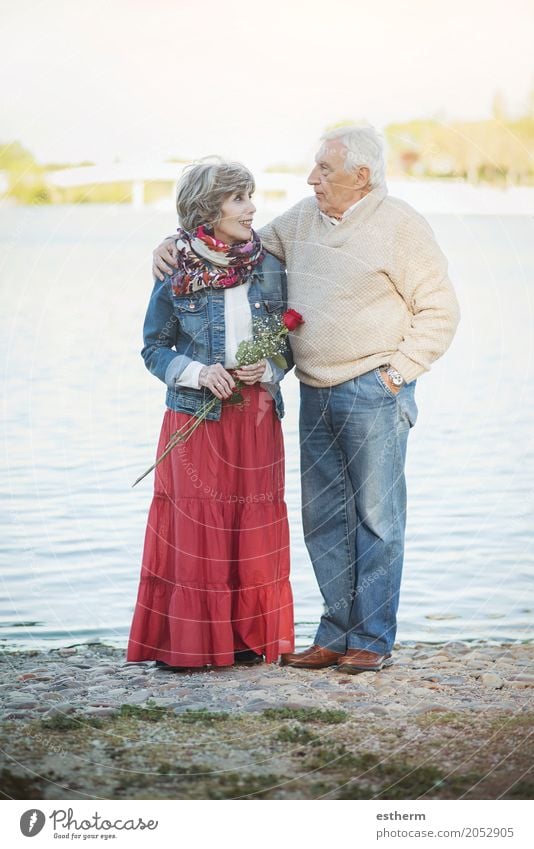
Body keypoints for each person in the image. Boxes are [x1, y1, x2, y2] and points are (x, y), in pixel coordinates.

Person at [152, 126, 460, 674]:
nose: (311, 177)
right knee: (325, 521)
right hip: (315, 390)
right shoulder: (301, 219)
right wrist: (173, 243)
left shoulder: (401, 226)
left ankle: (371, 640)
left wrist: (398, 375)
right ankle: (333, 635)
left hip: (374, 390)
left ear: (360, 176)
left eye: (324, 169)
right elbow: (233, 242)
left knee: (378, 520)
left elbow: (440, 310)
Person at [127, 158, 295, 670]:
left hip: (256, 418)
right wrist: (199, 373)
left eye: (250, 196)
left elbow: (284, 344)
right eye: (239, 198)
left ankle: (244, 640)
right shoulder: (175, 267)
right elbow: (153, 348)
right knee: (196, 524)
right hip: (196, 419)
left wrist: (267, 365)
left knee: (253, 524)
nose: (252, 208)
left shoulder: (267, 264)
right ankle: (190, 645)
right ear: (208, 208)